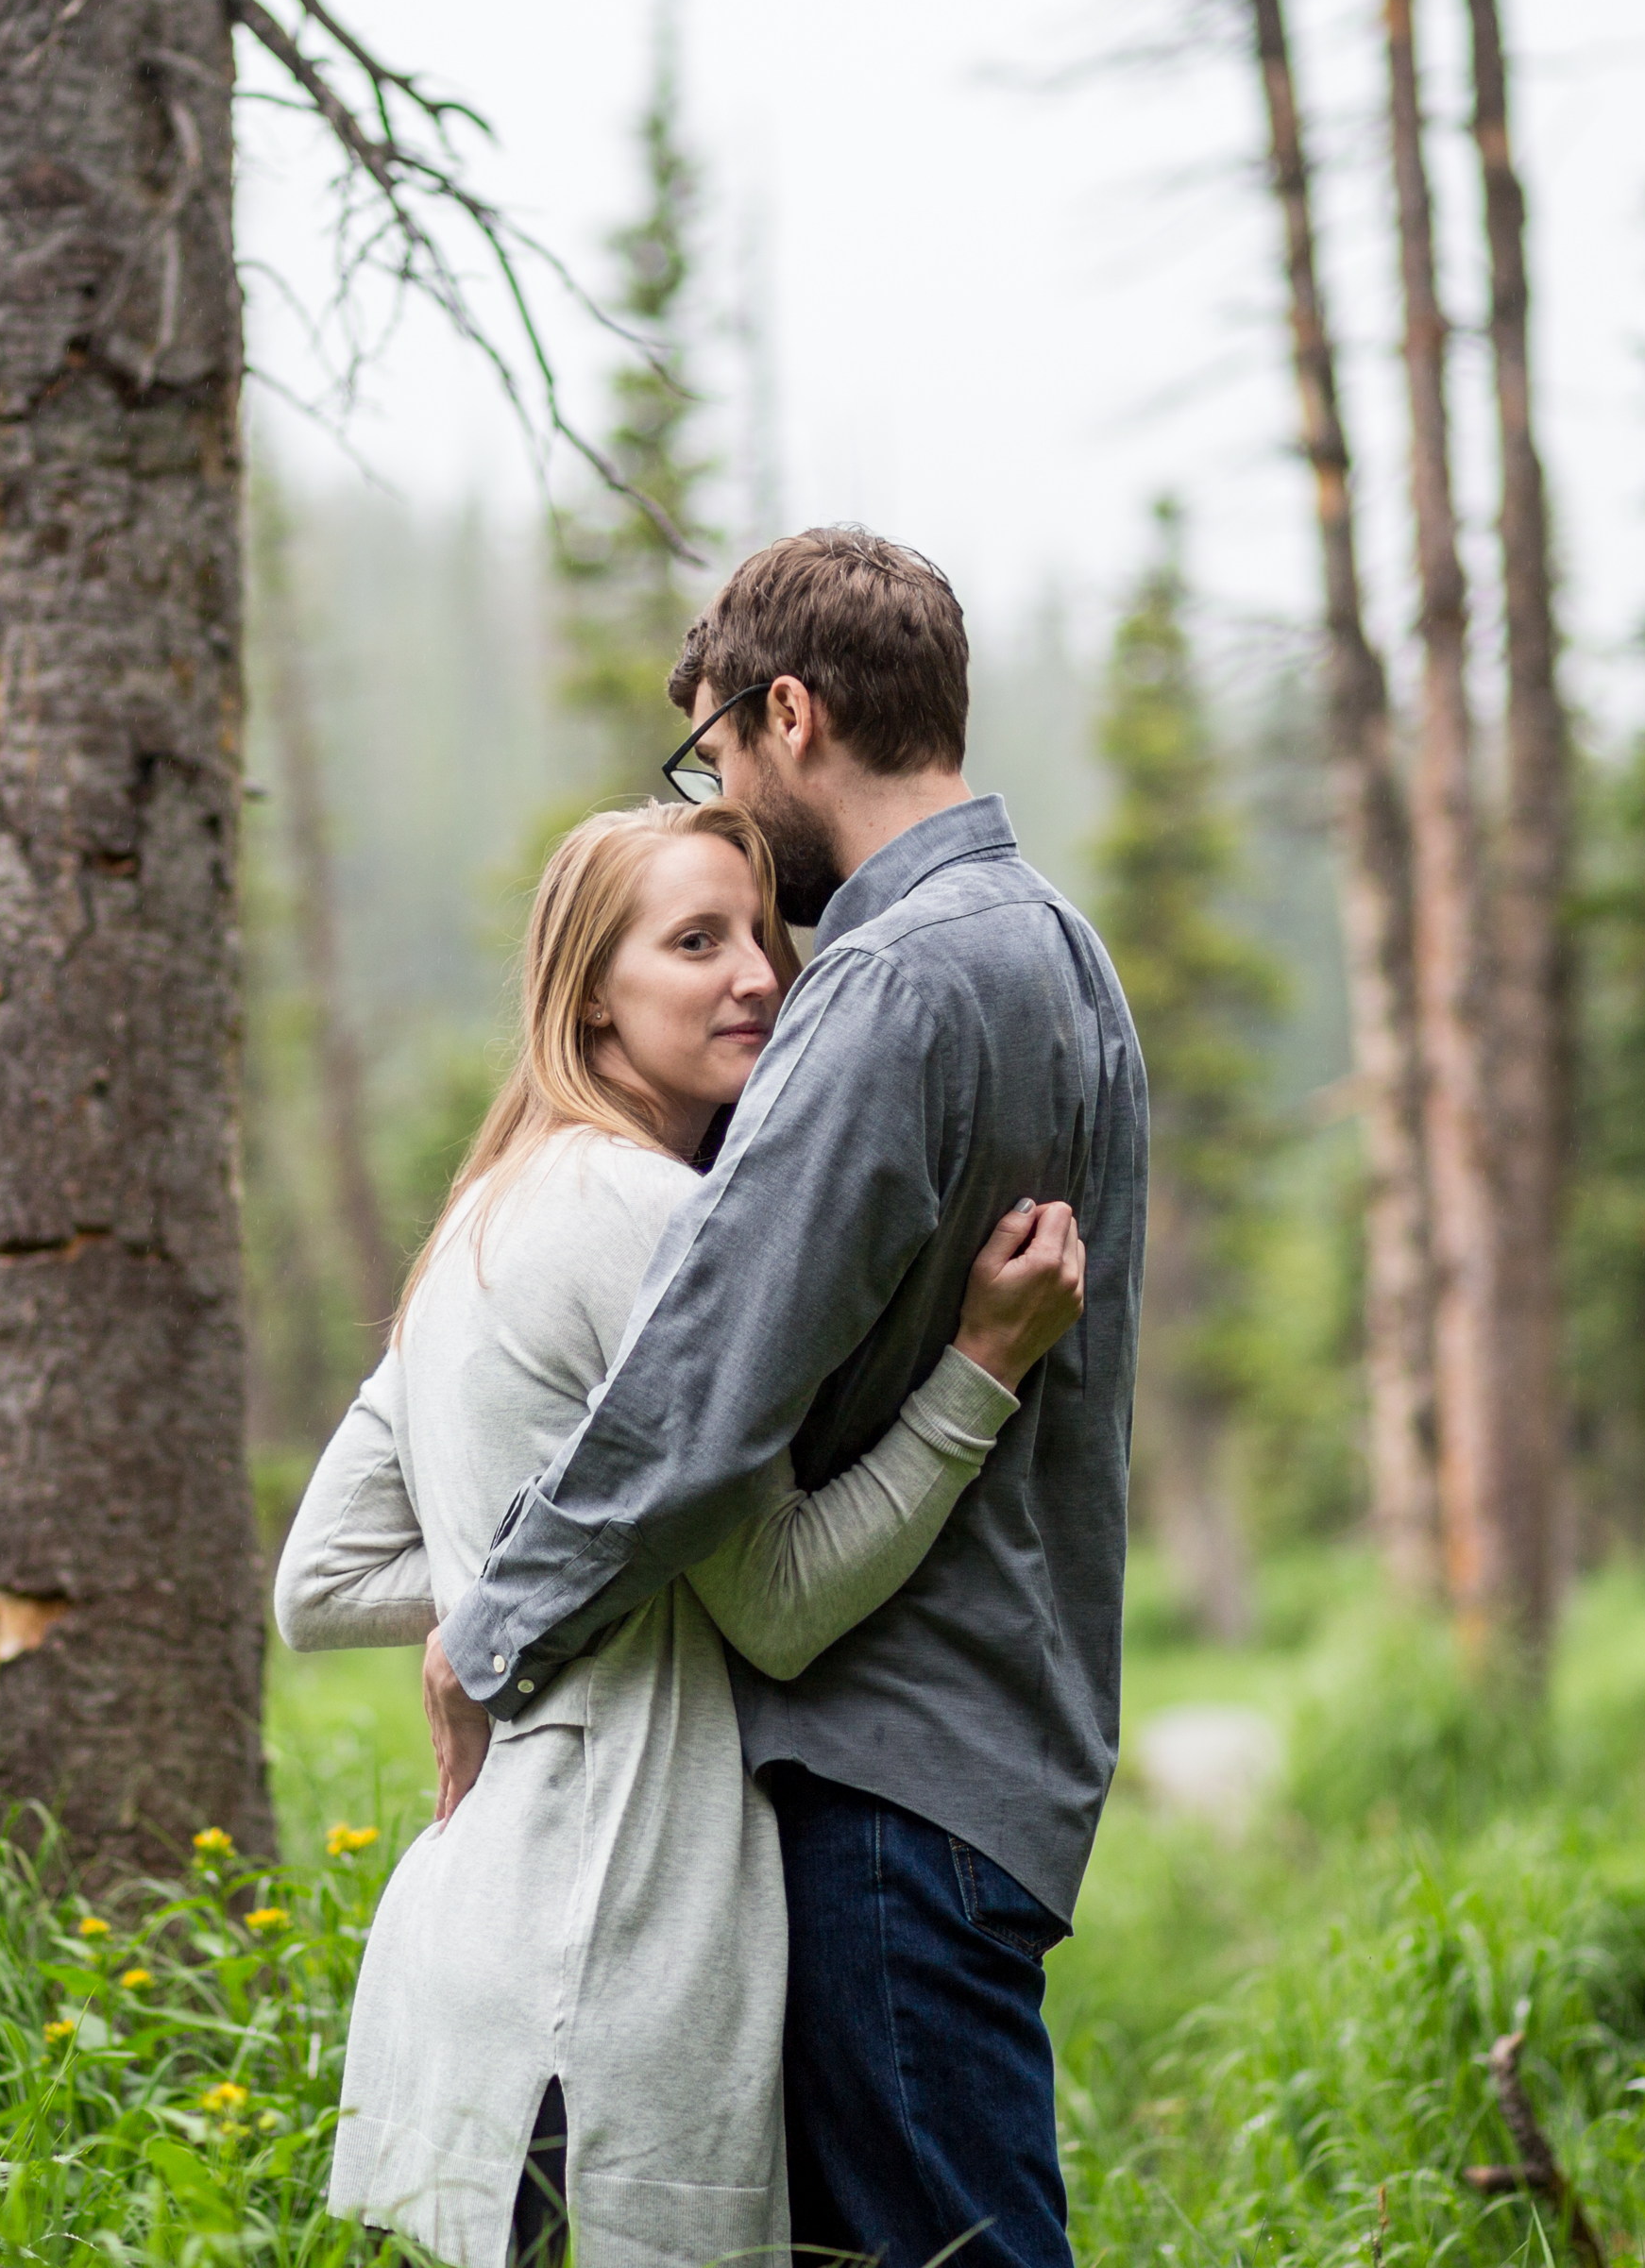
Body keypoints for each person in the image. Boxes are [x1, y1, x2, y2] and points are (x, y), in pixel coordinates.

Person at [432, 526, 1148, 2268]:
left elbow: (704, 1385)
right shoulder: (1065, 951)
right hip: (1002, 1745)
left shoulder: (892, 983)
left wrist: (495, 1626)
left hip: (893, 1778)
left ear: (794, 714)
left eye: (720, 757)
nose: (730, 802)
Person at [274, 796, 1090, 2268]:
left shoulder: (486, 1216)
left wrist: (511, 1595)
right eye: (695, 943)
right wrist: (982, 1372)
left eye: (763, 938)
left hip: (477, 1943)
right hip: (605, 1961)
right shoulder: (653, 1217)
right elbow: (778, 1603)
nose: (758, 978)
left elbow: (319, 1579)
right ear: (592, 998)